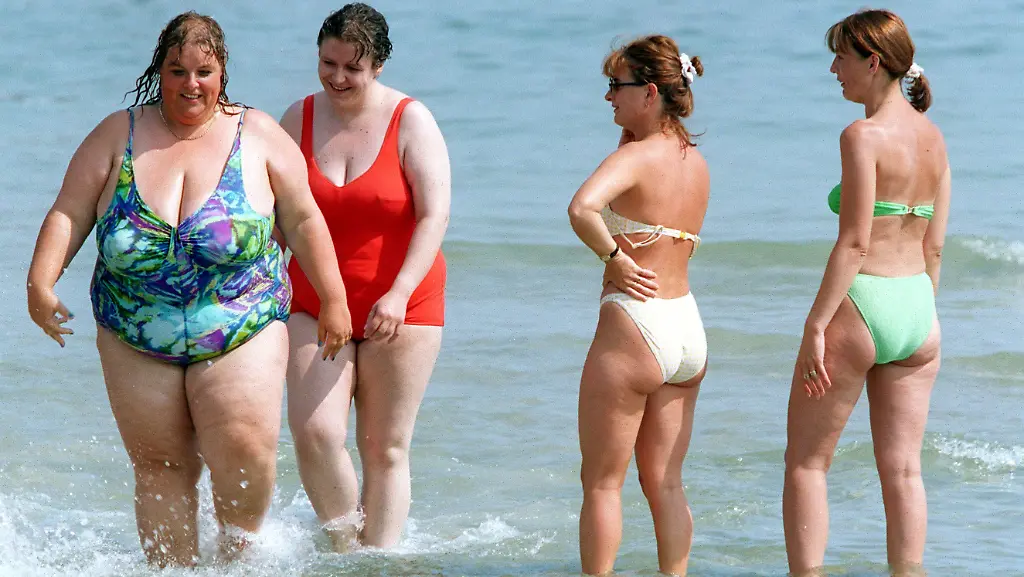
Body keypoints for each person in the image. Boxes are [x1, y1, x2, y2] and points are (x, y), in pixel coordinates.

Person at [25, 12, 352, 567]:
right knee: (160, 464)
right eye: (177, 71)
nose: (190, 84)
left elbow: (303, 220)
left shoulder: (258, 135)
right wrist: (41, 281)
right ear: (160, 71)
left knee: (244, 452)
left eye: (204, 71)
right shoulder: (118, 134)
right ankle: (172, 571)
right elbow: (69, 212)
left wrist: (334, 299)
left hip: (241, 321)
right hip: (134, 329)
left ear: (222, 72)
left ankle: (239, 562)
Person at [782, 9, 948, 576]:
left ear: (873, 62)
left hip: (864, 304)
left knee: (807, 465)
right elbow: (934, 247)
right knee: (904, 472)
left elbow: (854, 243)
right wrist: (920, 312)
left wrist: (815, 325)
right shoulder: (934, 138)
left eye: (841, 58)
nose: (834, 70)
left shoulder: (862, 136)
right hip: (918, 309)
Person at [278, 3, 450, 551]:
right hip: (312, 299)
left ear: (377, 65)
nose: (337, 77)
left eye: (352, 67)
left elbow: (434, 215)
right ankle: (345, 552)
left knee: (385, 447)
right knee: (315, 433)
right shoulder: (297, 117)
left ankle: (380, 557)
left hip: (403, 301)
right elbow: (277, 217)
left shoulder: (411, 120)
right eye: (327, 63)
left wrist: (399, 293)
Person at [567, 35, 709, 577]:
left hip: (636, 322)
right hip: (686, 329)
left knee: (602, 483)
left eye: (616, 86)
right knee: (666, 482)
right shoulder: (695, 161)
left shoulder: (634, 157)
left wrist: (614, 257)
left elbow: (582, 209)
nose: (608, 97)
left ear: (649, 93)